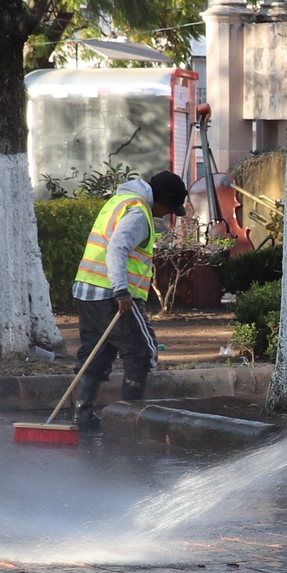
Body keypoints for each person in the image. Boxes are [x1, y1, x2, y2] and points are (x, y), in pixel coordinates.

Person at [69, 170, 188, 430]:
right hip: (113, 295)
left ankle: (83, 417)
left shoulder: (119, 201)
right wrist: (121, 291)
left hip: (88, 290)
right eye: (168, 208)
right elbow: (117, 247)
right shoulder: (138, 213)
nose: (166, 213)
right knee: (141, 352)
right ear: (160, 200)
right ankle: (129, 423)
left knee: (95, 355)